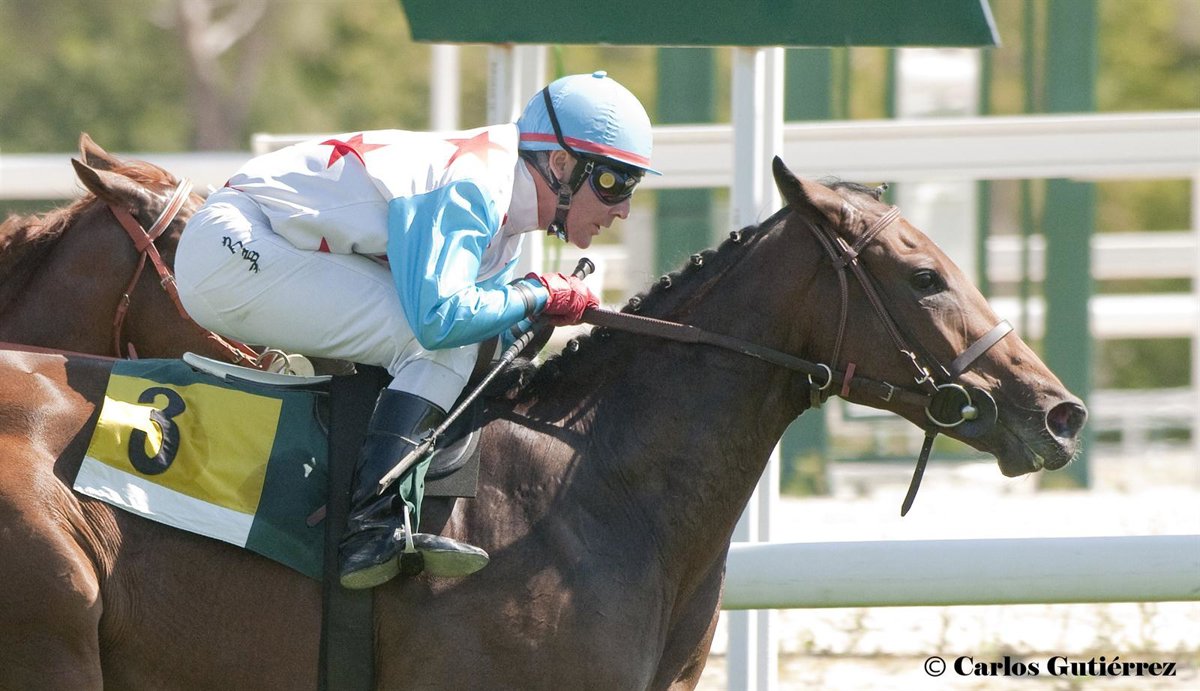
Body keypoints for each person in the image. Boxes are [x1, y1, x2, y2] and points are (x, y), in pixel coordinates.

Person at [175, 71, 658, 589]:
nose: (623, 208)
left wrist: (529, 314)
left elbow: (484, 334)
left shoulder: (502, 221)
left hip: (254, 246)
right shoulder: (475, 184)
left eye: (630, 186)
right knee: (438, 345)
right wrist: (537, 293)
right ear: (560, 164)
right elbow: (439, 321)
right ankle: (371, 523)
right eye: (612, 182)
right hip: (234, 248)